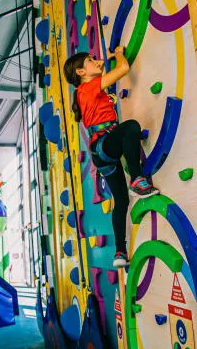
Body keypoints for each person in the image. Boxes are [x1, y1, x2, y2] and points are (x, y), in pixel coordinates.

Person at [63, 46, 159, 268]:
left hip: (101, 153)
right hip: (105, 144)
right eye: (90, 60)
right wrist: (118, 54)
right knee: (131, 127)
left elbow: (101, 69)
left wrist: (101, 62)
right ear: (80, 72)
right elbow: (123, 68)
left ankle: (119, 253)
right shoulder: (89, 87)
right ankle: (137, 179)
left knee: (121, 201)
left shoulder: (85, 90)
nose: (96, 61)